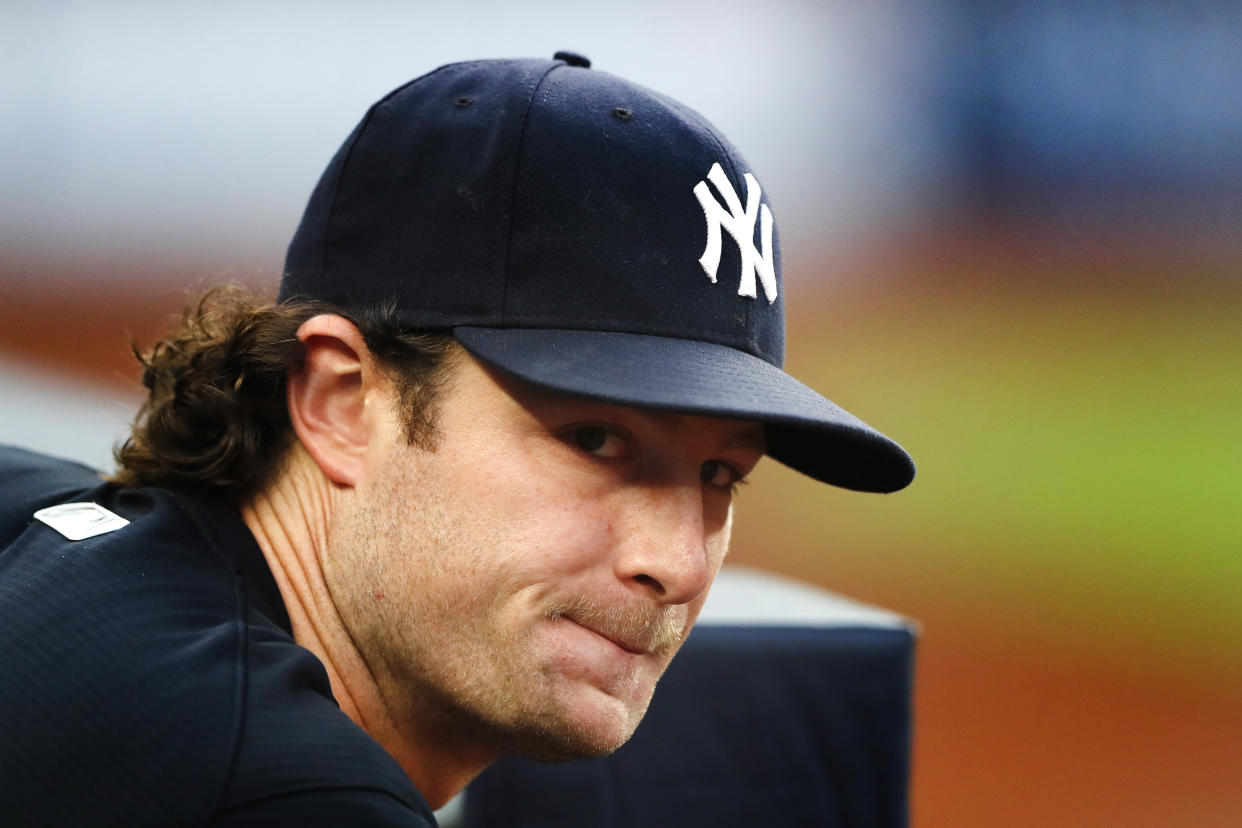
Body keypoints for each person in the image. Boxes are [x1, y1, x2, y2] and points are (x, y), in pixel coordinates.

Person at [0, 53, 914, 826]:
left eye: (722, 473)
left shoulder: (50, 531)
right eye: (596, 439)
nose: (675, 562)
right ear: (341, 401)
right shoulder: (280, 792)